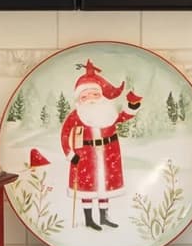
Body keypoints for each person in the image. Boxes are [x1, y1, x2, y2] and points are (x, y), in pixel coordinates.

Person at [59, 59, 142, 232]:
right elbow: (65, 134)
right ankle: (89, 219)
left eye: (94, 94)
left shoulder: (108, 113)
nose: (90, 99)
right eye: (85, 96)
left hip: (108, 155)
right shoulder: (76, 116)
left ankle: (104, 218)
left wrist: (132, 105)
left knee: (104, 186)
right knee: (87, 189)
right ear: (79, 98)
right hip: (85, 157)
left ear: (101, 95)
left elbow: (122, 117)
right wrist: (70, 153)